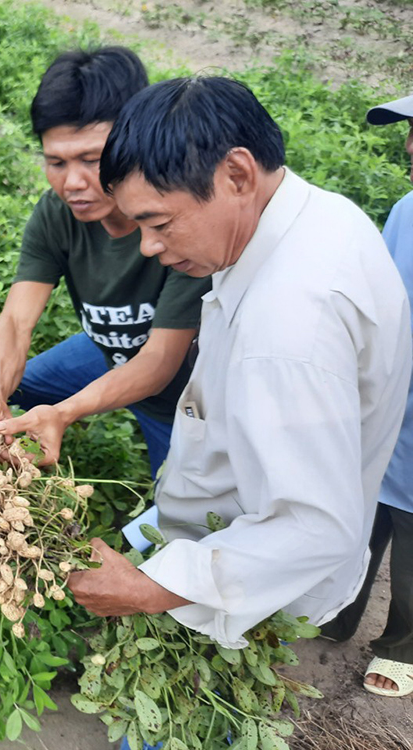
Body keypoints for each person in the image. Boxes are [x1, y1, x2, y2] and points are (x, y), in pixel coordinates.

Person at [52, 76, 412, 651]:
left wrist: (153, 589)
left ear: (237, 174)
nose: (148, 247)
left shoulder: (293, 323)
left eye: (159, 223)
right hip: (216, 519)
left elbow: (315, 526)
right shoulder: (307, 217)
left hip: (247, 580)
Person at [0, 48, 211, 476]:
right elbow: (16, 321)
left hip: (178, 397)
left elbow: (158, 361)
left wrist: (66, 411)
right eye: (56, 162)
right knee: (18, 388)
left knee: (177, 519)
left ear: (133, 141)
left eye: (91, 160)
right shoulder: (56, 215)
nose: (72, 183)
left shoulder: (175, 221)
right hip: (106, 348)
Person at [319, 92, 413, 697]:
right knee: (361, 505)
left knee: (409, 525)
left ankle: (402, 644)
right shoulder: (405, 209)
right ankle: (339, 610)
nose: (408, 146)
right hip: (389, 390)